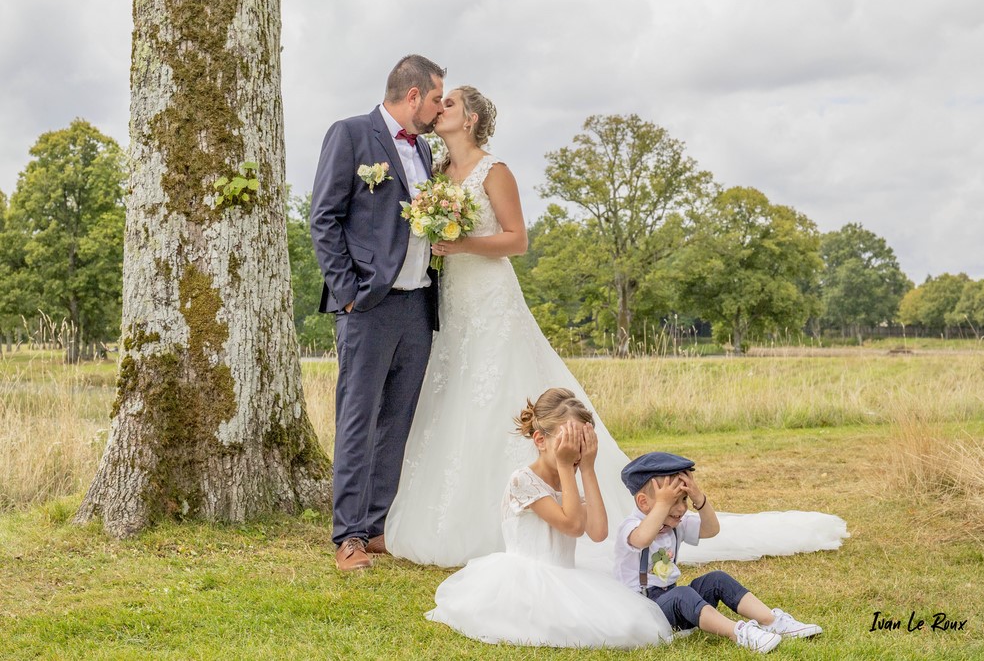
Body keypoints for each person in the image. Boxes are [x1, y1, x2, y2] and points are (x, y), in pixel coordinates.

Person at [383, 85, 850, 569]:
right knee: (453, 395)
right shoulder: (436, 171)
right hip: (453, 298)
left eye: (450, 104)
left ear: (473, 118)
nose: (439, 110)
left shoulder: (494, 171)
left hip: (490, 295)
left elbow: (517, 240)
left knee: (494, 392)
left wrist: (461, 247)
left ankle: (529, 518)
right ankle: (453, 516)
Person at [309, 54, 446, 571]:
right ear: (413, 95)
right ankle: (346, 535)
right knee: (358, 420)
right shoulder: (349, 134)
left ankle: (377, 526)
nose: (438, 109)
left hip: (417, 305)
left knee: (397, 420)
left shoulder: (426, 151)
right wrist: (348, 293)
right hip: (367, 307)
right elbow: (323, 217)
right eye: (436, 98)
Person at [426, 389, 674, 648]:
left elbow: (598, 532)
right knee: (571, 628)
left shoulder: (569, 482)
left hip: (567, 575)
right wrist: (567, 467)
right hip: (524, 581)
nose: (574, 452)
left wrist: (587, 467)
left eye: (581, 444)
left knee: (626, 626)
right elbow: (574, 526)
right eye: (567, 442)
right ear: (540, 440)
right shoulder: (522, 481)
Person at [614, 452, 824, 653]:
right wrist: (662, 505)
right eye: (672, 502)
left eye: (684, 500)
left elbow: (711, 529)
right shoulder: (631, 527)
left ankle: (771, 621)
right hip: (647, 609)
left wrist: (699, 498)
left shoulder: (676, 524)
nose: (681, 509)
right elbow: (642, 539)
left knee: (717, 579)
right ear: (643, 502)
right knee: (682, 594)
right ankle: (738, 633)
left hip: (673, 600)